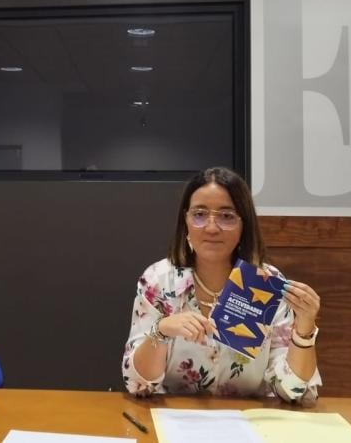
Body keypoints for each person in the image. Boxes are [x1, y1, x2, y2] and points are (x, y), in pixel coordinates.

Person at [122, 167, 321, 405]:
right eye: (199, 214)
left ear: (243, 225)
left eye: (226, 216)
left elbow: (293, 390)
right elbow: (138, 383)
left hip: (250, 425)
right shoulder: (159, 280)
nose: (212, 227)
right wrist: (162, 330)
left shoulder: (266, 284)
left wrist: (305, 329)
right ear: (185, 221)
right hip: (177, 424)